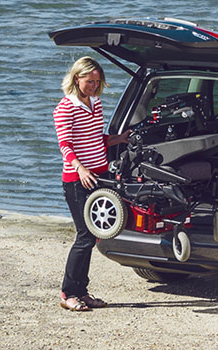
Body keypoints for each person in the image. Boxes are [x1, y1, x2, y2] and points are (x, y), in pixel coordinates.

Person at [53, 56, 130, 311]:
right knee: (85, 235)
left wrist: (119, 139)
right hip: (77, 180)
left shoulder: (95, 103)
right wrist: (81, 168)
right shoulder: (66, 107)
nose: (94, 86)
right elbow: (66, 146)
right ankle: (67, 293)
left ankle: (81, 291)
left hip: (98, 175)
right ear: (77, 78)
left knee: (93, 236)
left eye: (98, 82)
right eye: (90, 81)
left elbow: (97, 139)